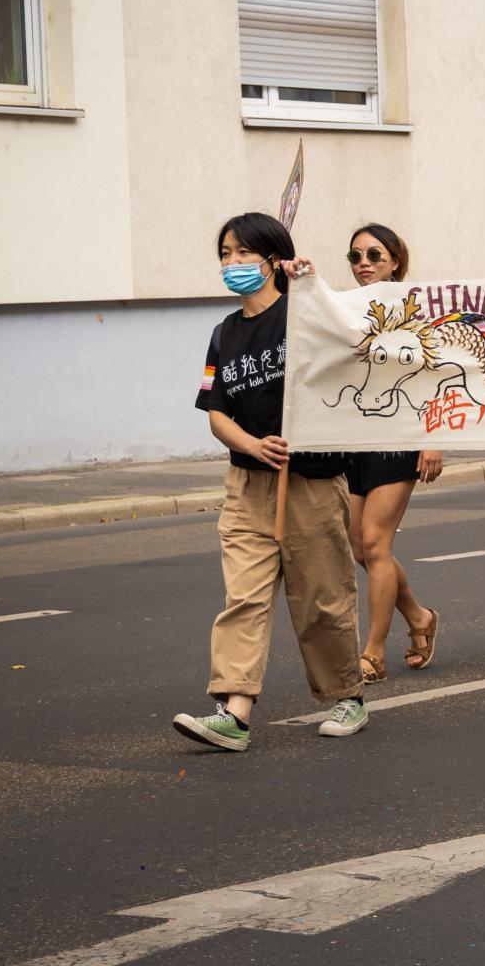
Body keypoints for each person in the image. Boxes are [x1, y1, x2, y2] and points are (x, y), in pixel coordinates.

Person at [172, 213, 366, 751]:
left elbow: (353, 340)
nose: (231, 263)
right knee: (244, 599)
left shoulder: (303, 314)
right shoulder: (223, 334)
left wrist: (310, 284)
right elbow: (215, 412)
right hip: (248, 488)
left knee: (322, 598)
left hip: (311, 483)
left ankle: (347, 695)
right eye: (225, 253)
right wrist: (252, 444)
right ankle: (234, 711)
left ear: (273, 260)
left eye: (242, 253)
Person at [343, 224, 443, 683]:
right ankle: (419, 617)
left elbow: (437, 374)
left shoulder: (415, 309)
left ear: (395, 262)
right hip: (356, 441)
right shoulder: (346, 309)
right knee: (359, 547)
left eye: (374, 255)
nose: (363, 263)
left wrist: (433, 437)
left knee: (376, 543)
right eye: (356, 255)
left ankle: (373, 652)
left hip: (401, 436)